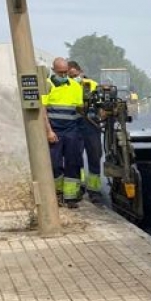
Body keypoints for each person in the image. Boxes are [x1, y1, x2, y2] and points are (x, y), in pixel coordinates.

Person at [41, 57, 85, 206]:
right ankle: (58, 193)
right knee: (54, 164)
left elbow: (79, 109)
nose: (63, 75)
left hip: (72, 130)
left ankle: (71, 197)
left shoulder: (75, 86)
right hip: (55, 131)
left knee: (73, 163)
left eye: (65, 72)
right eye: (60, 72)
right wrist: (48, 132)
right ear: (53, 70)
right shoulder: (46, 86)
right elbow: (42, 110)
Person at [68, 59, 104, 202]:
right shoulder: (67, 86)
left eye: (74, 74)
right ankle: (79, 187)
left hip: (91, 125)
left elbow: (101, 106)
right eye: (70, 76)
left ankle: (94, 191)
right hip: (75, 126)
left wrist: (102, 113)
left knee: (94, 156)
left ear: (80, 71)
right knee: (75, 158)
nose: (72, 78)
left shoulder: (93, 85)